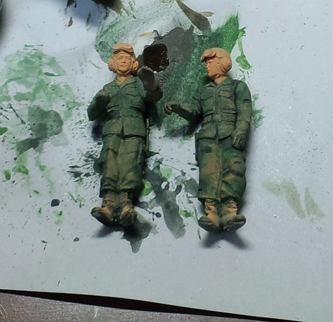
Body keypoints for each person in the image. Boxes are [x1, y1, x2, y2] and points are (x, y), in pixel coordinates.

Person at [164, 47, 252, 232]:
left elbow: (244, 111)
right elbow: (194, 113)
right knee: (208, 174)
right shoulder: (202, 91)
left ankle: (229, 211)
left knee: (234, 170)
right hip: (208, 137)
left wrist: (241, 131)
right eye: (207, 63)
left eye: (210, 63)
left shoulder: (238, 87)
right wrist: (179, 108)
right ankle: (211, 213)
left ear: (223, 63)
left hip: (231, 134)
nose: (207, 67)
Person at [88, 43, 161, 227]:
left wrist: (150, 84)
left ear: (133, 63)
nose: (123, 61)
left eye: (127, 58)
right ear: (113, 63)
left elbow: (153, 96)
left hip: (134, 129)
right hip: (112, 130)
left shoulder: (138, 84)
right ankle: (108, 203)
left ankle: (126, 204)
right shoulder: (108, 88)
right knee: (110, 162)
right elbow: (92, 114)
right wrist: (99, 102)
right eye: (119, 58)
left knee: (131, 163)